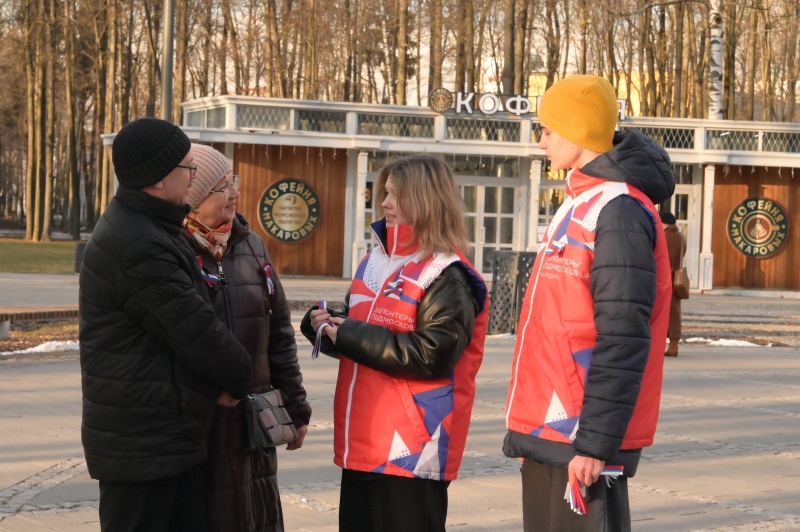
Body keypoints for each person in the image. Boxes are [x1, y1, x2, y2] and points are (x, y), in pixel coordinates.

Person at [503, 75, 675, 531]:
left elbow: (622, 333)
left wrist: (595, 443)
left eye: (548, 130)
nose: (540, 142)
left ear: (579, 134)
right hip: (550, 429)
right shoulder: (578, 203)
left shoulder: (618, 211)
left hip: (581, 434)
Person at [79, 117, 253, 532]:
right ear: (158, 179)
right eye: (187, 168)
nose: (193, 176)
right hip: (144, 448)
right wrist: (238, 376)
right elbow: (195, 332)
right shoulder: (138, 243)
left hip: (158, 439)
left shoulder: (150, 224)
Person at [301, 155, 488, 532]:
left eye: (395, 195)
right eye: (385, 193)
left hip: (411, 448)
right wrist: (325, 326)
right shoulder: (374, 261)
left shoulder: (447, 274)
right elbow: (369, 334)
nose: (384, 202)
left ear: (425, 201)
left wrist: (349, 334)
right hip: (363, 441)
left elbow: (432, 354)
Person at [182, 143, 312, 531]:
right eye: (222, 187)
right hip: (204, 425)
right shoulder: (176, 251)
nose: (235, 193)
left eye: (233, 181)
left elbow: (280, 333)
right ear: (193, 199)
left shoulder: (251, 246)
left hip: (252, 423)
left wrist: (296, 406)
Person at [660, 210, 687, 357]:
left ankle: (659, 345)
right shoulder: (681, 237)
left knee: (659, 312)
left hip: (662, 278)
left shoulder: (662, 236)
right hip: (676, 279)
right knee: (674, 312)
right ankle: (674, 345)